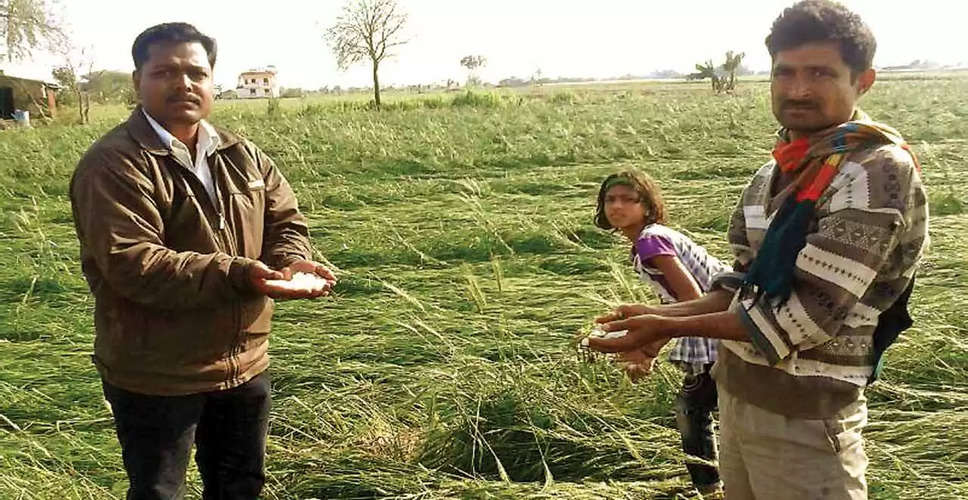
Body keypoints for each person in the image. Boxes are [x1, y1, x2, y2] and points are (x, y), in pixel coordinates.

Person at [586, 1, 928, 498]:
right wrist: (660, 324)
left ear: (864, 81)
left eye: (820, 73)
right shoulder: (775, 172)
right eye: (784, 72)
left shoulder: (874, 173)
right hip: (740, 397)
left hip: (806, 418)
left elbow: (802, 318)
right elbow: (739, 285)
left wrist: (668, 324)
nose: (798, 89)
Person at [69, 22, 335, 499]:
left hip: (244, 362)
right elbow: (134, 263)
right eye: (165, 71)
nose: (184, 83)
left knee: (240, 486)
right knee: (158, 492)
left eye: (196, 72)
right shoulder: (114, 163)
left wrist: (293, 261)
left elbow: (285, 222)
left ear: (213, 80)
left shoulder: (243, 154)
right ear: (138, 81)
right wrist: (243, 273)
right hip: (157, 371)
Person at [593, 169, 730, 496]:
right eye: (610, 199)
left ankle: (710, 490)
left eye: (629, 199)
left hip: (718, 324)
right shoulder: (651, 239)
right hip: (719, 320)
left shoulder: (650, 241)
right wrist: (650, 348)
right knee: (710, 406)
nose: (617, 206)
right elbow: (675, 306)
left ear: (648, 205)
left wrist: (645, 339)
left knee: (692, 409)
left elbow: (692, 301)